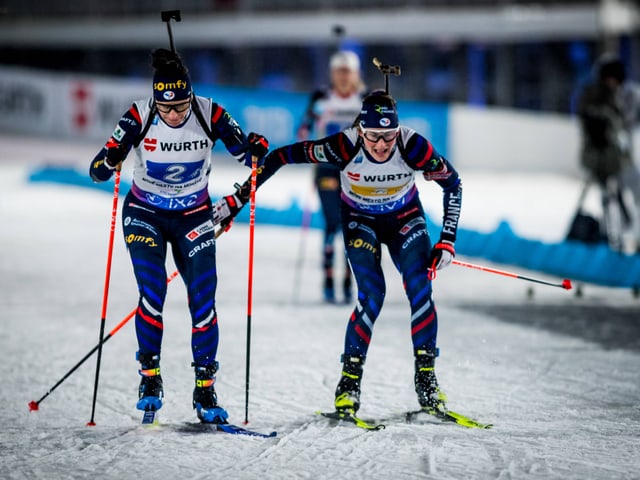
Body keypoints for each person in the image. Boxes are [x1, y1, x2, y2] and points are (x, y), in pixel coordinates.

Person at [214, 90, 462, 416]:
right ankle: (349, 383)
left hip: (405, 220)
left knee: (420, 287)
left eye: (388, 137)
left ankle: (426, 381)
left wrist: (446, 240)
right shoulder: (343, 145)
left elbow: (453, 183)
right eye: (374, 136)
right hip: (361, 221)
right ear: (361, 129)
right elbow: (279, 157)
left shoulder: (413, 146)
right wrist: (237, 200)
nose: (382, 145)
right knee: (373, 295)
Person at [89, 48, 269, 423]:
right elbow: (97, 171)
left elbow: (250, 158)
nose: (174, 115)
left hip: (193, 216)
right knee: (153, 292)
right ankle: (150, 379)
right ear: (156, 100)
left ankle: (205, 388)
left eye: (181, 107)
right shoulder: (139, 114)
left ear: (191, 96)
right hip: (145, 214)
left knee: (203, 298)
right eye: (166, 108)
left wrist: (255, 151)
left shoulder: (209, 112)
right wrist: (109, 159)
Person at [297, 50, 366, 303]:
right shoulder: (321, 97)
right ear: (332, 74)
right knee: (332, 222)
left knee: (353, 226)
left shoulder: (364, 99)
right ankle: (328, 280)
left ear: (356, 74)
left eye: (348, 72)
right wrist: (310, 128)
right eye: (339, 72)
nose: (343, 77)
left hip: (356, 172)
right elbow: (302, 129)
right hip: (326, 169)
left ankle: (349, 281)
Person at [576, 55, 640, 252]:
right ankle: (614, 241)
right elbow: (592, 126)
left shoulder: (627, 95)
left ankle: (631, 236)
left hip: (622, 160)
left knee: (632, 193)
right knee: (609, 200)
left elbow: (629, 121)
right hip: (601, 160)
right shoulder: (594, 96)